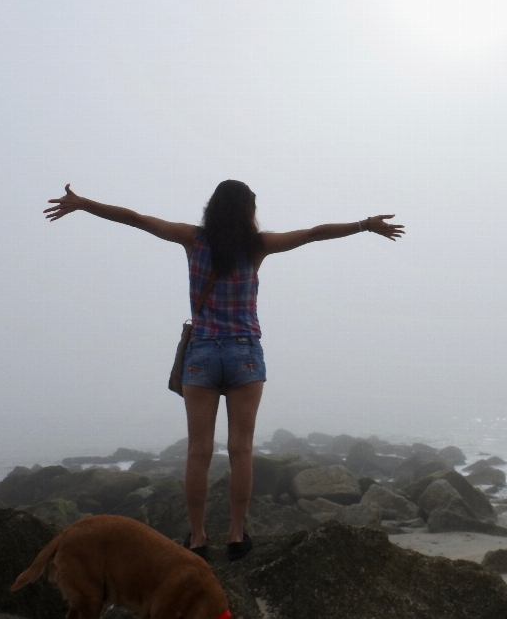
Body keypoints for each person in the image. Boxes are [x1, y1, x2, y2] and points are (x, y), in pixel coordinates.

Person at [44, 181, 404, 560]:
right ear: (249, 211)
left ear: (212, 208)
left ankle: (197, 537)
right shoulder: (258, 246)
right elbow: (314, 234)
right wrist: (365, 224)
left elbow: (135, 219)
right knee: (241, 449)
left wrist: (83, 204)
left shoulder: (192, 239)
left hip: (200, 352)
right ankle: (235, 534)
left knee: (198, 452)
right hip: (244, 353)